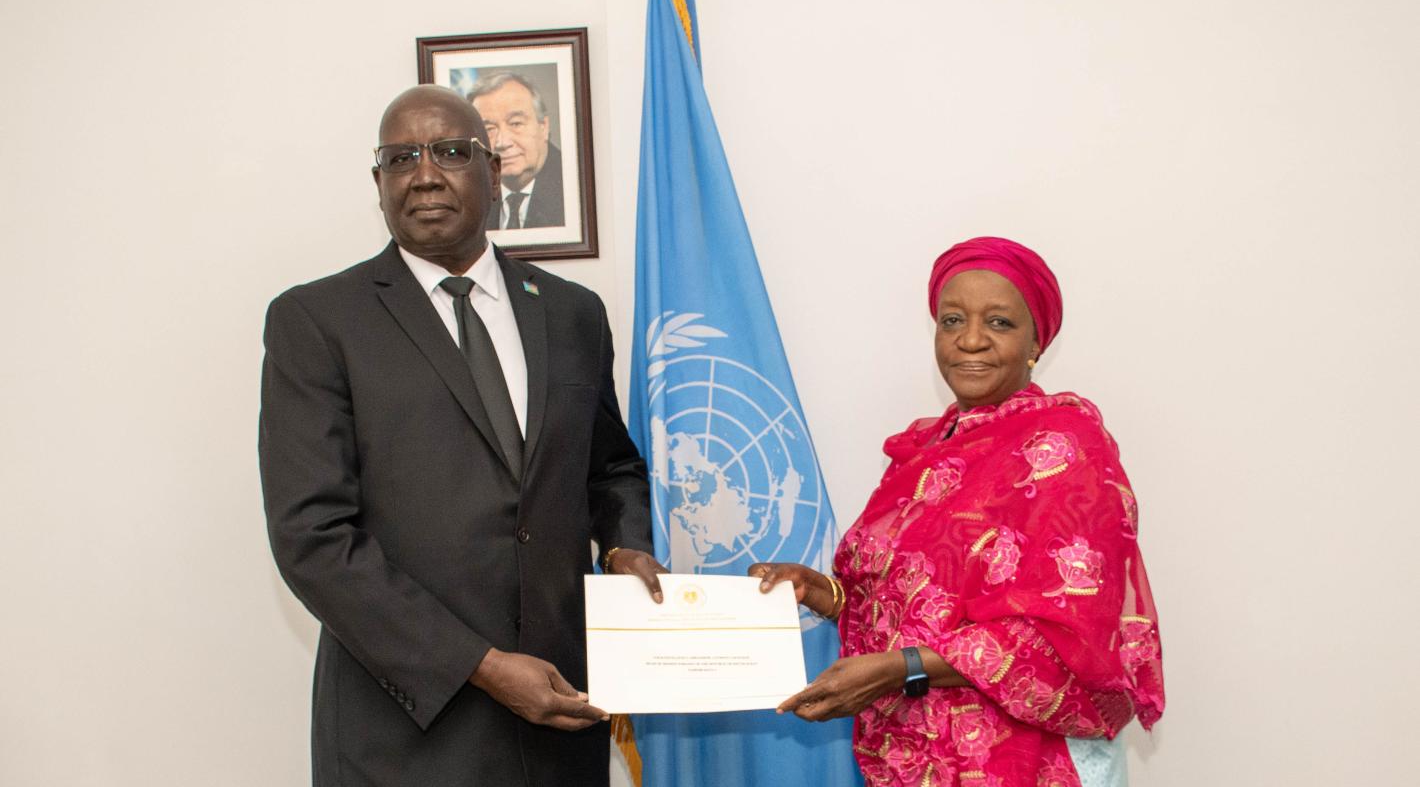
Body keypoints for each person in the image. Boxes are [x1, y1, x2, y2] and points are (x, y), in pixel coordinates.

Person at [259, 84, 664, 787]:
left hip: (560, 727)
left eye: (449, 151)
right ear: (379, 181)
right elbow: (313, 537)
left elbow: (610, 466)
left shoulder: (571, 313)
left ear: (494, 171)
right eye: (400, 157)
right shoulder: (318, 321)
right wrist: (481, 665)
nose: (424, 173)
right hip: (405, 733)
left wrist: (627, 541)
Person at [751, 237, 1164, 787]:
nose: (970, 340)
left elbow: (1066, 634)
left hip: (1028, 759)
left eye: (998, 323)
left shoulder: (1067, 447)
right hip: (916, 757)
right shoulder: (924, 452)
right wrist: (821, 593)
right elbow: (906, 605)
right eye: (952, 321)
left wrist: (902, 669)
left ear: (1037, 340)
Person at [468, 72, 565, 230]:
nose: (502, 142)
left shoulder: (573, 186)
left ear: (544, 126)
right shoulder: (473, 195)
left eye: (516, 124)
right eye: (489, 129)